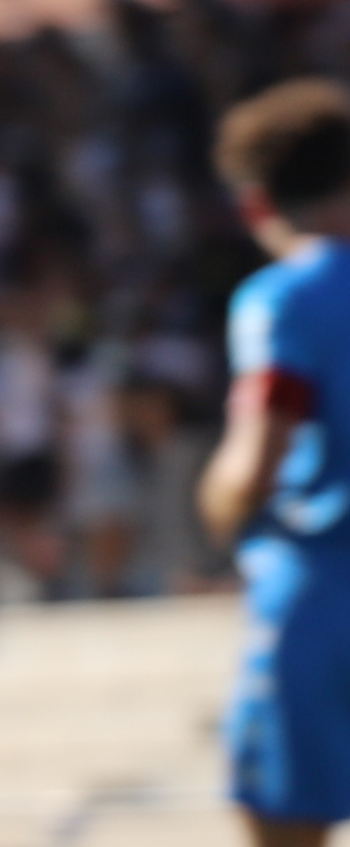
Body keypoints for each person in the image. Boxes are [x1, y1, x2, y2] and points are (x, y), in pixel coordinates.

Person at [202, 78, 350, 847]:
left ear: (255, 203)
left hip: (322, 596)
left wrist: (218, 502)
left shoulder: (283, 298)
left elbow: (254, 464)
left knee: (281, 827)